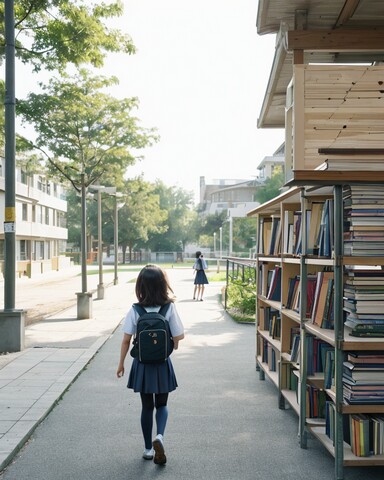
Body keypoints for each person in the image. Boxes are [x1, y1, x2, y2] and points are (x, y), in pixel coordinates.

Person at [116, 265, 185, 465]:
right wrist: (171, 344)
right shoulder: (169, 307)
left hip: (142, 365)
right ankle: (160, 437)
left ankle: (148, 449)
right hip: (162, 364)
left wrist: (121, 364)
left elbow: (125, 340)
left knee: (147, 407)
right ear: (163, 285)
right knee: (162, 404)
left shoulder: (135, 310)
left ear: (141, 286)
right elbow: (179, 336)